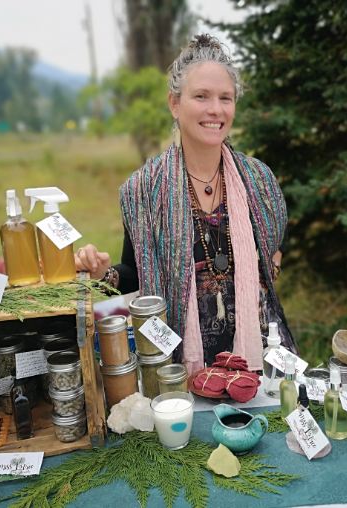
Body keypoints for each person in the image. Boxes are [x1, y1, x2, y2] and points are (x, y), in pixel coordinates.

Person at [76, 34, 296, 374]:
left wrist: (271, 266)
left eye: (225, 98)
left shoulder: (258, 180)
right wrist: (100, 274)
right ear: (175, 104)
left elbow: (276, 243)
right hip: (182, 368)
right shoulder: (145, 190)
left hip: (260, 360)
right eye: (201, 96)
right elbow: (137, 274)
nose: (215, 109)